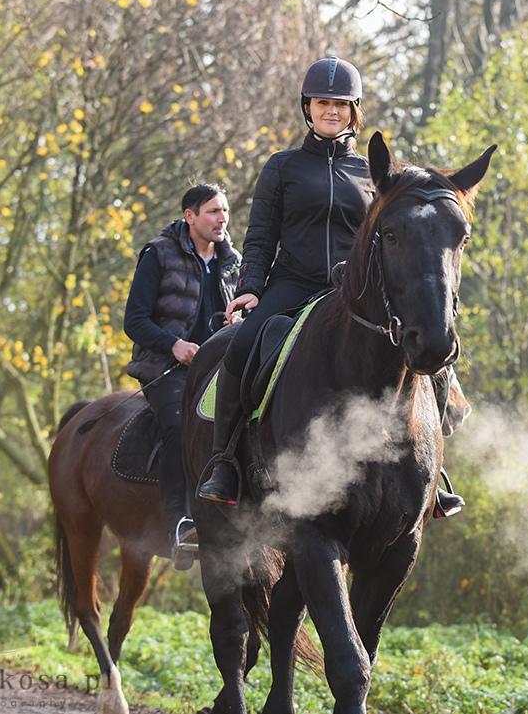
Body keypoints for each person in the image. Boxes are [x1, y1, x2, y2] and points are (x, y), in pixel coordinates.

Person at [196, 56, 466, 518]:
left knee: (432, 360)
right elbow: (260, 238)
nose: (332, 112)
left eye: (341, 104)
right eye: (323, 103)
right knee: (240, 349)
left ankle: (432, 473)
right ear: (308, 107)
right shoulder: (281, 168)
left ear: (354, 110)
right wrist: (252, 288)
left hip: (355, 292)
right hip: (292, 283)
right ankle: (224, 463)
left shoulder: (373, 175)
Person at [123, 184, 240, 568]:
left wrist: (237, 320)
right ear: (190, 216)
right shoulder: (158, 255)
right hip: (165, 367)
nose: (222, 218)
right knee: (180, 425)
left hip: (217, 366)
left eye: (224, 210)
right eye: (212, 211)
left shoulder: (231, 261)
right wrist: (173, 344)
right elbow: (134, 320)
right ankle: (181, 523)